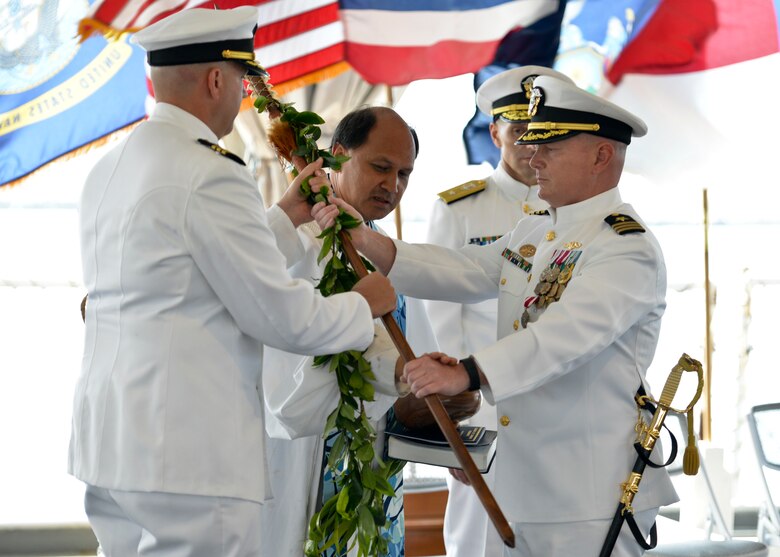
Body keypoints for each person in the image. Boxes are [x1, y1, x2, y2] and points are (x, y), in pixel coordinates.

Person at [68, 8, 396, 557]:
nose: (244, 95)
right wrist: (362, 305)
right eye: (242, 81)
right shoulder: (213, 172)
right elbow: (282, 318)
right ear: (216, 80)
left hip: (111, 442)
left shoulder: (111, 165)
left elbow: (188, 274)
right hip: (188, 455)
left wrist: (283, 218)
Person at [314, 76, 679, 556]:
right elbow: (464, 269)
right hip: (519, 484)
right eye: (531, 144)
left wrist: (466, 373)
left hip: (586, 495)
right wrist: (368, 240)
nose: (534, 158)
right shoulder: (538, 228)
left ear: (600, 157)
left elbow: (561, 339)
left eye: (551, 146)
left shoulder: (625, 247)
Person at [260, 106, 439, 557]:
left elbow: (412, 357)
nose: (392, 185)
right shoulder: (295, 244)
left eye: (404, 174)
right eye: (380, 167)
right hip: (306, 454)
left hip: (375, 463)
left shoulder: (386, 251)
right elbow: (285, 376)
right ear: (338, 155)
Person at [425, 65, 572, 557]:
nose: (532, 147)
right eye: (518, 132)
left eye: (543, 134)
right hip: (484, 411)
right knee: (478, 540)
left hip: (558, 412)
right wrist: (453, 427)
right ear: (494, 133)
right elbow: (439, 325)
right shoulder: (459, 210)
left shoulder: (574, 213)